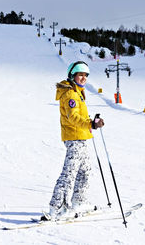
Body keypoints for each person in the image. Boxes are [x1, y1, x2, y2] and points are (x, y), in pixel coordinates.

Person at [44, 61, 104, 221]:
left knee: (85, 171)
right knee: (69, 174)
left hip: (81, 137)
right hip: (74, 138)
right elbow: (73, 117)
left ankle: (79, 201)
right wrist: (90, 124)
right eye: (80, 74)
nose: (83, 78)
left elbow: (80, 116)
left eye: (85, 75)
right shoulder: (70, 94)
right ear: (72, 75)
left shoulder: (77, 92)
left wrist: (93, 122)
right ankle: (57, 209)